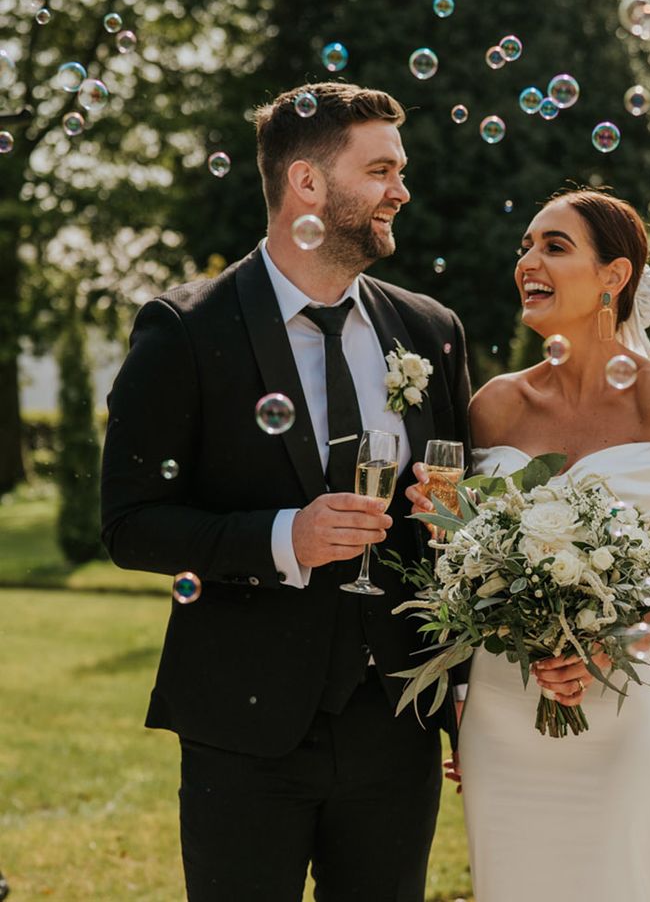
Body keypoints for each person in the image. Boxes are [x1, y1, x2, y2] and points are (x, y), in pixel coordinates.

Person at [101, 81, 472, 902]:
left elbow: (460, 522)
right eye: (381, 170)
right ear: (307, 184)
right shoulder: (187, 331)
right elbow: (130, 524)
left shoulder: (430, 332)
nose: (402, 190)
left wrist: (468, 690)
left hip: (397, 726)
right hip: (245, 732)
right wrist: (283, 539)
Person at [408, 188, 650, 902]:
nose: (528, 261)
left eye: (554, 247)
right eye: (525, 247)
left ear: (614, 277)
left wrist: (609, 647)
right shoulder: (493, 405)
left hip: (626, 712)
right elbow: (451, 561)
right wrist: (434, 520)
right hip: (503, 720)